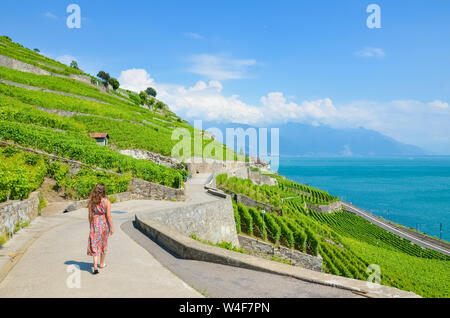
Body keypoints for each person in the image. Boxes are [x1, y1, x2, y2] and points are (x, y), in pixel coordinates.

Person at [87, 184, 114, 274]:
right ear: (104, 191)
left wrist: (91, 224)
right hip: (103, 225)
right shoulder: (106, 202)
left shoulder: (91, 202)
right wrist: (111, 227)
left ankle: (95, 266)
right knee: (103, 244)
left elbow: (90, 215)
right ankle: (101, 264)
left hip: (95, 224)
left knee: (95, 244)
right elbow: (109, 216)